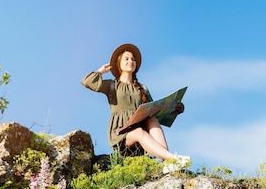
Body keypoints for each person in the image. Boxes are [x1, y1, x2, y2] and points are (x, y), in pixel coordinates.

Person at [81, 43, 190, 173]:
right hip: (122, 134)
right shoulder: (112, 85)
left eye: (133, 59)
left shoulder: (142, 88)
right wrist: (101, 71)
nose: (131, 61)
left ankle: (167, 161)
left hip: (141, 131)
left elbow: (154, 110)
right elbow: (87, 81)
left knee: (151, 119)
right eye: (126, 59)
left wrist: (174, 108)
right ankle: (172, 158)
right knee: (138, 131)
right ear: (119, 63)